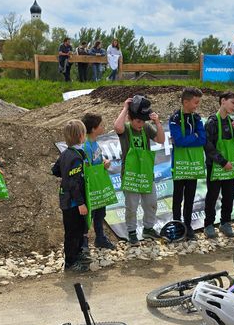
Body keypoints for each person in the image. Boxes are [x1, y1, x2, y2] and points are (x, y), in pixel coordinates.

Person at [114, 95, 165, 245]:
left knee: (151, 202)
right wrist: (125, 108)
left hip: (146, 174)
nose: (141, 124)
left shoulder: (146, 128)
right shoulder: (126, 129)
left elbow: (161, 140)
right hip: (130, 175)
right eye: (138, 121)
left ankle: (148, 228)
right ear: (130, 118)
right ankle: (131, 232)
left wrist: (157, 122)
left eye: (143, 121)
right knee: (131, 206)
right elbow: (117, 126)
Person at [203, 91, 234, 238]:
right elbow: (207, 146)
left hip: (229, 166)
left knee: (229, 196)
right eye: (232, 102)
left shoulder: (232, 122)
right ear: (222, 101)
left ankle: (225, 222)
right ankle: (208, 224)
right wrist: (222, 161)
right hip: (216, 166)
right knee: (212, 196)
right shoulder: (212, 122)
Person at [51, 120, 90, 272]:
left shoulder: (66, 154)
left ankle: (78, 254)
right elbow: (74, 183)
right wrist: (80, 203)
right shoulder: (75, 157)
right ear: (81, 136)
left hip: (68, 199)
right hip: (73, 203)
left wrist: (64, 174)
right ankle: (70, 261)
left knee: (80, 229)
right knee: (73, 232)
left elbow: (55, 171)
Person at [168, 87, 206, 240]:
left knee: (190, 197)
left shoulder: (196, 118)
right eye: (195, 102)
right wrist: (194, 137)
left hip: (193, 165)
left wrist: (193, 138)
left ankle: (188, 226)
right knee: (178, 197)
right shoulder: (175, 118)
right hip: (180, 165)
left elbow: (203, 139)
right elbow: (179, 140)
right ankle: (177, 225)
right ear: (185, 102)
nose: (197, 105)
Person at [81, 113, 116, 250]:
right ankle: (83, 242)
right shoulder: (86, 146)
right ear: (94, 128)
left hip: (99, 183)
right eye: (101, 125)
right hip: (92, 185)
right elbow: (87, 165)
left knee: (101, 211)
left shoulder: (94, 143)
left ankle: (100, 238)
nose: (103, 127)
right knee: (91, 213)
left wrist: (104, 162)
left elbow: (97, 160)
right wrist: (102, 165)